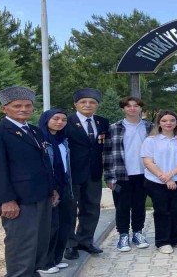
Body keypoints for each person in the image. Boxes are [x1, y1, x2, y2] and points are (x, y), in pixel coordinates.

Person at [0, 86, 55, 276]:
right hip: (18, 200)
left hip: (41, 195)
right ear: (4, 109)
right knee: (21, 245)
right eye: (17, 106)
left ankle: (32, 273)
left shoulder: (35, 131)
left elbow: (43, 163)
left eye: (28, 105)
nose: (24, 109)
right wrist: (6, 200)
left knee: (39, 242)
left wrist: (51, 189)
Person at [64, 88, 110, 260]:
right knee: (70, 210)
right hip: (72, 174)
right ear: (75, 104)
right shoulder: (66, 121)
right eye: (83, 102)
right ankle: (70, 244)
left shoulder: (102, 122)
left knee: (91, 208)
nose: (88, 105)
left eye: (92, 102)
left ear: (97, 105)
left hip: (94, 173)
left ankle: (86, 241)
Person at [103, 97, 154, 252]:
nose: (132, 108)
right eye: (128, 106)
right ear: (123, 109)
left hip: (144, 174)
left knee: (139, 205)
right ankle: (123, 235)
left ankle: (137, 233)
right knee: (122, 206)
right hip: (121, 175)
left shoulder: (150, 127)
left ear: (140, 109)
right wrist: (109, 177)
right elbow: (107, 153)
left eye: (136, 106)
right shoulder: (114, 128)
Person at [141, 110, 177, 254]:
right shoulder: (151, 140)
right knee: (162, 211)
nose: (168, 123)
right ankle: (163, 241)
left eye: (172, 120)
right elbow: (148, 161)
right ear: (159, 123)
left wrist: (171, 175)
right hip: (156, 181)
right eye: (164, 120)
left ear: (176, 123)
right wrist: (165, 178)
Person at [37, 109, 73, 274]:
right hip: (50, 187)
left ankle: (56, 259)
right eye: (56, 118)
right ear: (46, 120)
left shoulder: (62, 140)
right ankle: (44, 263)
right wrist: (52, 188)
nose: (59, 122)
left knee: (64, 224)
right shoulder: (41, 140)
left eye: (63, 120)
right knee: (51, 226)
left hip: (65, 185)